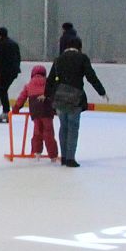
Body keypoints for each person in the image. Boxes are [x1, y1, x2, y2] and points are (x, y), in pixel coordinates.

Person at [46, 37, 108, 167]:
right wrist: (101, 91)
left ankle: (64, 157)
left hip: (60, 97)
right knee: (73, 127)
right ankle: (70, 158)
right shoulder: (82, 58)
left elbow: (50, 79)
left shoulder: (58, 59)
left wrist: (47, 95)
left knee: (63, 127)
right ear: (79, 47)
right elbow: (91, 76)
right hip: (75, 97)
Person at [10, 65, 57, 161]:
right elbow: (54, 95)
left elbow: (22, 97)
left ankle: (37, 152)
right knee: (48, 132)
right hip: (47, 110)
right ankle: (53, 155)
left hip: (35, 111)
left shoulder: (29, 85)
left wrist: (16, 108)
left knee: (37, 131)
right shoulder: (48, 83)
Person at [0, 27, 22, 123]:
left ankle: (6, 112)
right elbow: (18, 57)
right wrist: (16, 68)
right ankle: (6, 111)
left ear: (0, 35)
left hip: (5, 71)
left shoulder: (1, 45)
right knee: (3, 90)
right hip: (13, 71)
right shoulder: (14, 44)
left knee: (2, 90)